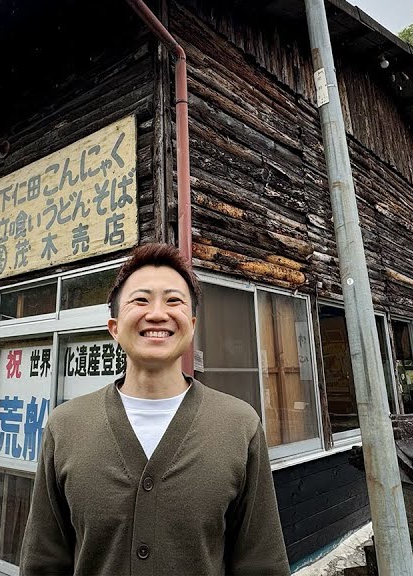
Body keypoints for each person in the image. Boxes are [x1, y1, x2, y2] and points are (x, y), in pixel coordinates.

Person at [20, 243, 289, 575]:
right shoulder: (66, 426)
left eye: (174, 301)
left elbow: (262, 563)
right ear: (114, 328)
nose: (158, 314)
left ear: (191, 325)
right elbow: (44, 561)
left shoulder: (239, 425)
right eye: (140, 300)